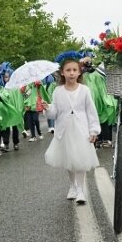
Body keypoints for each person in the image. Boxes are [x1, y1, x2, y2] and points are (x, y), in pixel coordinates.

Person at [43, 52, 101, 204]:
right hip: (65, 130)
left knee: (80, 159)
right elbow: (54, 113)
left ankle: (81, 190)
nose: (71, 73)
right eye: (68, 70)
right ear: (62, 72)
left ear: (79, 71)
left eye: (74, 70)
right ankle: (72, 186)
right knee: (69, 160)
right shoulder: (57, 91)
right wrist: (47, 108)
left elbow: (91, 111)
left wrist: (94, 130)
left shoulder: (84, 90)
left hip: (81, 129)